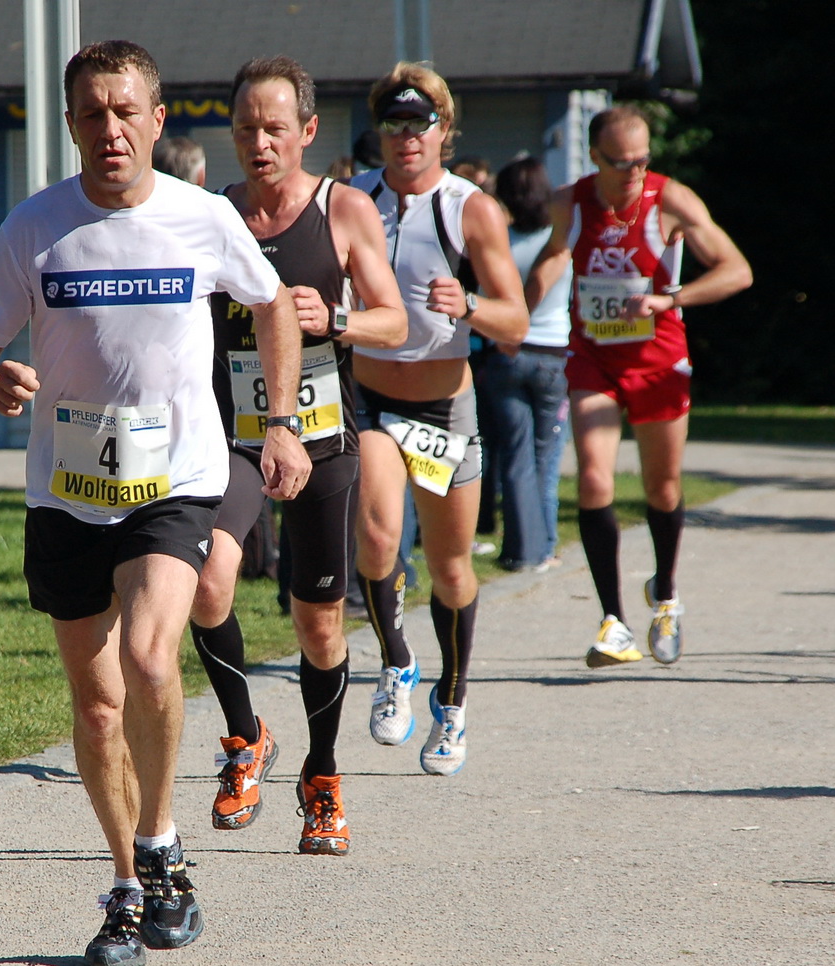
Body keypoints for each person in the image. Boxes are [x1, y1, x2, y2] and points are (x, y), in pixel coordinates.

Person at [0, 40, 308, 966]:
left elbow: (271, 307)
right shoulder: (35, 228)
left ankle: (160, 843)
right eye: (92, 114)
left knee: (152, 656)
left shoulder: (201, 218)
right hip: (67, 495)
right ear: (70, 125)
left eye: (125, 112)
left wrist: (279, 422)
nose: (109, 130)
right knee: (98, 707)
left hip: (176, 484)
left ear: (157, 120)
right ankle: (124, 885)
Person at [192, 56, 406, 855]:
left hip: (321, 438)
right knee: (209, 581)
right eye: (245, 128)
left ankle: (321, 776)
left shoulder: (343, 208)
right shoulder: (211, 214)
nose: (259, 142)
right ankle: (247, 738)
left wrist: (339, 317)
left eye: (274, 128)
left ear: (307, 131)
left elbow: (397, 322)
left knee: (317, 627)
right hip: (236, 436)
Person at [350, 64, 528, 776]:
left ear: (443, 131)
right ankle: (397, 661)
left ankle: (451, 705)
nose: (405, 138)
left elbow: (516, 322)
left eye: (419, 124)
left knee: (452, 568)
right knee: (375, 532)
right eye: (392, 125)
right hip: (369, 400)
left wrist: (472, 306)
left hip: (444, 407)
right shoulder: (354, 200)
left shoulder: (471, 209)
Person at [528, 104, 752, 668]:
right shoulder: (569, 202)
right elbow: (555, 255)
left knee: (663, 487)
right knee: (595, 479)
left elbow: (736, 269)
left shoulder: (670, 200)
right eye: (620, 163)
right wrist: (526, 301)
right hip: (593, 359)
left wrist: (670, 299)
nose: (633, 172)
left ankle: (667, 594)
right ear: (595, 157)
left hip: (659, 359)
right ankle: (614, 622)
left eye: (641, 161)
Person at [478, 155, 573, 571]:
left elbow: (485, 294)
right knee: (545, 458)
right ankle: (545, 545)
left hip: (506, 354)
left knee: (515, 458)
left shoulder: (498, 241)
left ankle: (519, 549)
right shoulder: (559, 239)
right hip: (552, 355)